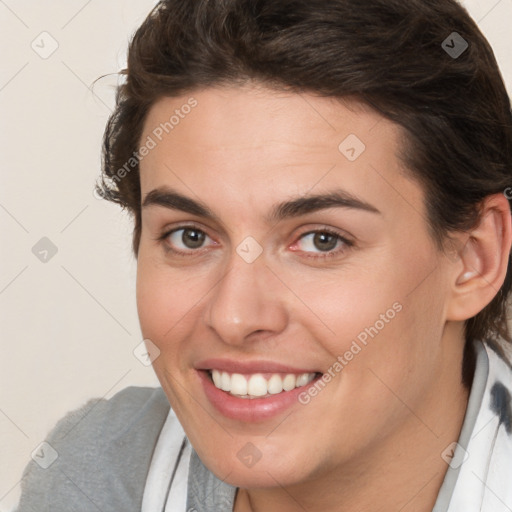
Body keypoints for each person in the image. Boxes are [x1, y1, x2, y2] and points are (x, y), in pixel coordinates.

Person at [16, 0, 512, 511]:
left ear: (474, 260)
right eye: (190, 236)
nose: (234, 317)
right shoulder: (96, 478)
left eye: (322, 240)